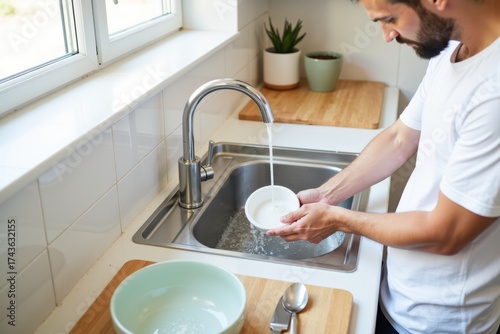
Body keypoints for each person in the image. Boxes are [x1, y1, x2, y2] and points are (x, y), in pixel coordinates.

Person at [266, 0, 500, 332]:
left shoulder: (494, 91)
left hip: (440, 321)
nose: (386, 35)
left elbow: (446, 234)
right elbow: (399, 139)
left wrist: (339, 219)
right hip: (402, 295)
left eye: (389, 19)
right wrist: (326, 195)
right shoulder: (453, 47)